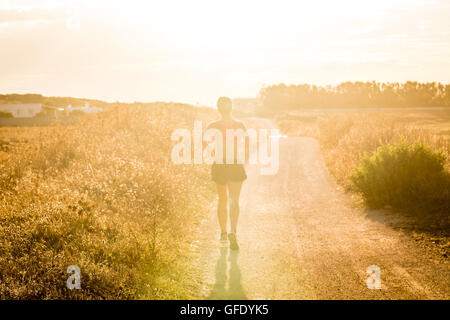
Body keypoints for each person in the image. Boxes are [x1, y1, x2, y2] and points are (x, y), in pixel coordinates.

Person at [205, 97, 248, 250]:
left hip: (220, 164)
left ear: (218, 109)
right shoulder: (239, 125)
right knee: (234, 200)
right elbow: (247, 146)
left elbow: (205, 145)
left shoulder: (213, 125)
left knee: (222, 200)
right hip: (235, 164)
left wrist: (214, 154)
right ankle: (234, 231)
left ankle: (223, 234)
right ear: (231, 108)